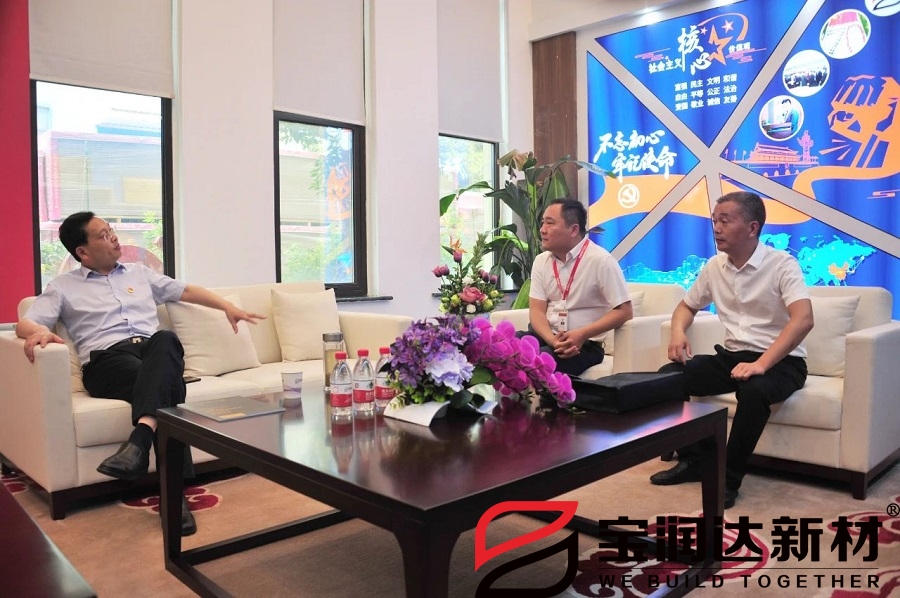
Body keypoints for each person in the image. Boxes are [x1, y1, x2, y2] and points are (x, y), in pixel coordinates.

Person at [16, 212, 266, 536]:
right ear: (83, 252)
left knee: (166, 340)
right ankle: (173, 496)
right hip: (108, 362)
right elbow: (27, 322)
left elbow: (186, 291)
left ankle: (141, 439)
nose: (114, 237)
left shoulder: (139, 273)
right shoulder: (63, 286)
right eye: (103, 235)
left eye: (111, 230)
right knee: (168, 387)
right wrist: (38, 332)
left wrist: (227, 307)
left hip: (152, 353)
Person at [649, 191, 813, 509]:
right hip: (733, 357)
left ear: (752, 228)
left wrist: (762, 364)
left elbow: (803, 319)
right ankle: (694, 461)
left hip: (782, 362)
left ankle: (728, 478)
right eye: (714, 220)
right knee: (668, 377)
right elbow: (686, 306)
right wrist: (678, 333)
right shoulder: (715, 266)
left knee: (754, 390)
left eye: (725, 221)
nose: (716, 228)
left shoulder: (782, 264)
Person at [525, 198, 633, 376]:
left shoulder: (601, 261)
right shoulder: (541, 261)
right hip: (547, 336)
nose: (542, 229)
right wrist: (552, 340)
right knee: (504, 349)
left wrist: (581, 334)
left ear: (574, 229)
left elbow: (625, 311)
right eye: (543, 222)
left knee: (538, 361)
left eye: (550, 223)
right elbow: (536, 310)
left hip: (584, 345)